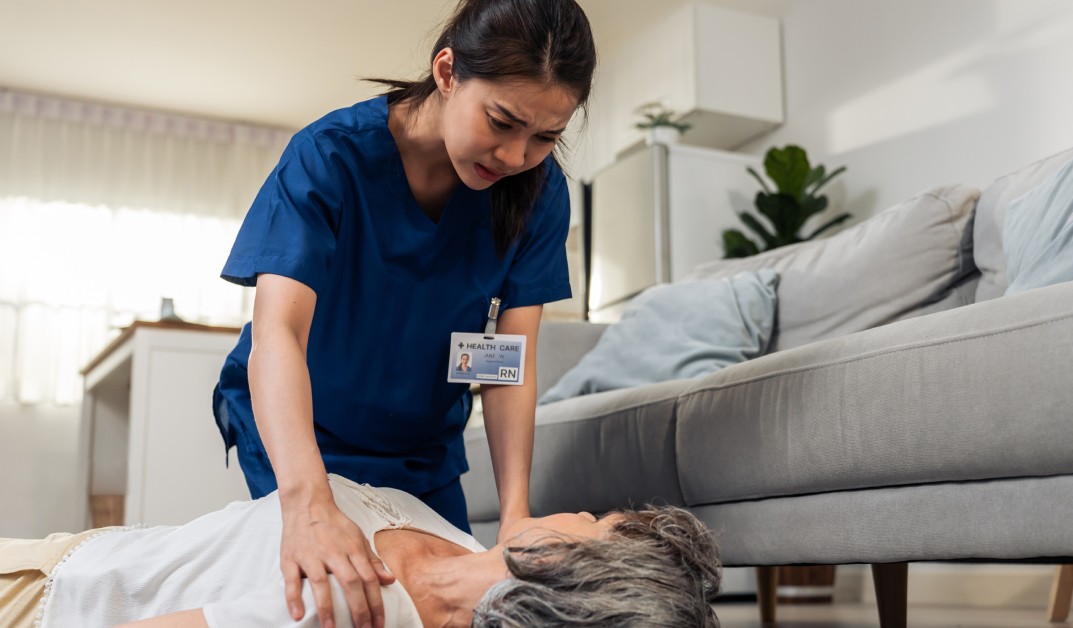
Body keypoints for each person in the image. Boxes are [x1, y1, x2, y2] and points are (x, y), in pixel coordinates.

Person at [209, 0, 596, 625]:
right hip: (308, 432)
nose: (517, 155)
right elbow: (276, 331)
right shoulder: (330, 157)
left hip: (422, 447)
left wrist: (517, 512)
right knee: (339, 603)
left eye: (546, 137)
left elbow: (509, 365)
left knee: (454, 607)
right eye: (501, 122)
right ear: (447, 72)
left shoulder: (541, 193)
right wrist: (307, 504)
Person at [0, 475, 722, 627]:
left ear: (567, 566)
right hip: (86, 550)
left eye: (592, 518)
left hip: (44, 593)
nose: (577, 507)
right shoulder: (453, 537)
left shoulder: (351, 604)